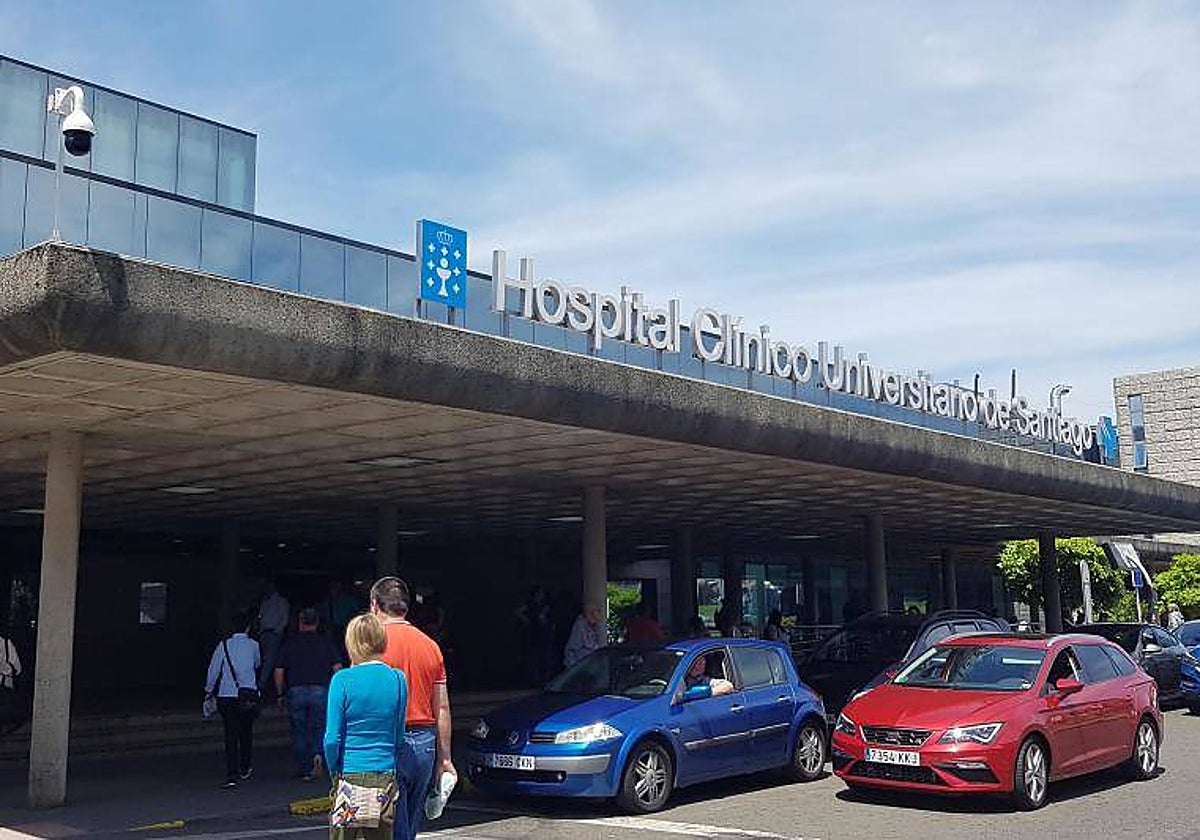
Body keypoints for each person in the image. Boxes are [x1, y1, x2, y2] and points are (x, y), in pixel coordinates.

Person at [370, 577, 455, 840]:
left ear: (375, 605)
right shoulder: (431, 647)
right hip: (424, 743)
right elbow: (441, 707)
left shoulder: (370, 646)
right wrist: (445, 758)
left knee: (391, 826)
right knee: (410, 824)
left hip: (387, 741)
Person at [324, 613, 409, 840]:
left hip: (350, 772)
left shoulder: (342, 680)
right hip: (385, 774)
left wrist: (334, 771)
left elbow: (332, 738)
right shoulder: (398, 679)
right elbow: (398, 734)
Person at [274, 607, 344, 781]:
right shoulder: (326, 643)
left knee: (299, 730)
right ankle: (318, 755)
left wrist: (280, 693)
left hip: (296, 690)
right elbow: (337, 668)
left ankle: (304, 768)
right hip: (320, 689)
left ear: (300, 622)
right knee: (320, 727)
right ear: (317, 623)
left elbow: (279, 670)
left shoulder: (291, 643)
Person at [204, 610, 262, 789]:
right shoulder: (254, 645)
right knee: (246, 731)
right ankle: (245, 766)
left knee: (230, 734)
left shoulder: (224, 645)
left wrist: (208, 690)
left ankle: (232, 774)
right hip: (248, 694)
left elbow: (214, 669)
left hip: (227, 695)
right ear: (248, 627)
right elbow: (257, 664)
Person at [514, 586, 555, 685]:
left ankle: (545, 680)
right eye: (538, 593)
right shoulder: (530, 605)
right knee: (533, 659)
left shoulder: (547, 606)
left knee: (545, 659)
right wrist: (526, 620)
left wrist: (544, 619)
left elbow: (550, 621)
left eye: (542, 593)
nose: (540, 596)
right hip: (533, 635)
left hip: (545, 636)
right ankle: (535, 680)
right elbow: (517, 611)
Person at [257, 580, 290, 695]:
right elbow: (260, 618)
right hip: (264, 634)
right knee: (265, 659)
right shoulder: (265, 602)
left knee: (270, 660)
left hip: (274, 634)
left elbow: (284, 618)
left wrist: (277, 631)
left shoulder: (281, 601)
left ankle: (261, 684)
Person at [564, 603, 606, 668]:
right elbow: (572, 650)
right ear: (591, 613)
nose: (600, 613)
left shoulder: (593, 626)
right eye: (598, 611)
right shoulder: (580, 626)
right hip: (580, 667)